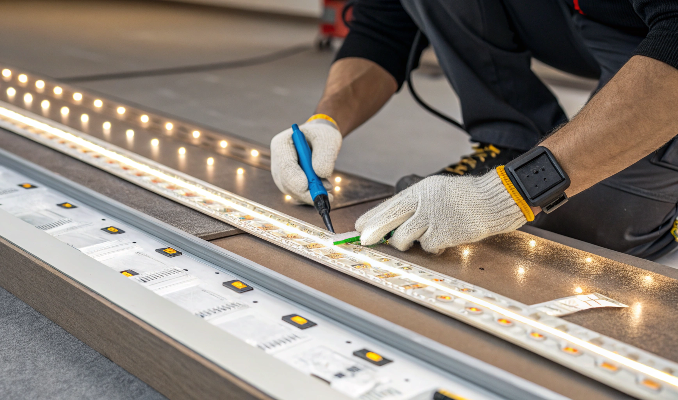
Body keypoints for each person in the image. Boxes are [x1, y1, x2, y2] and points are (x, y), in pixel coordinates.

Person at [270, 0, 678, 260]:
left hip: (659, 34)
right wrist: (325, 121)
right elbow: (384, 25)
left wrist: (509, 195)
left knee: (604, 220)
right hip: (575, 15)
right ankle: (511, 145)